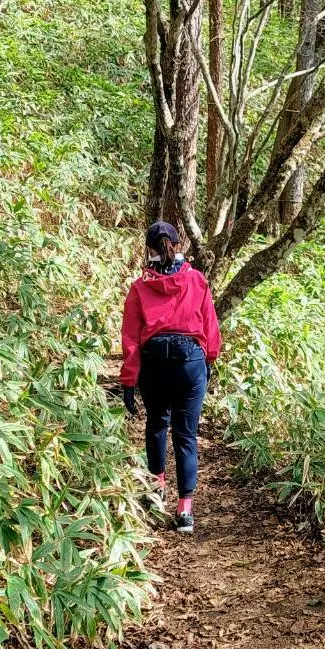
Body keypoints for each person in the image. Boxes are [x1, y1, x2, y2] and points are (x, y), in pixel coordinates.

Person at [119, 220, 222, 534]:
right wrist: (207, 362)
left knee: (156, 425)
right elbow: (211, 331)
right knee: (186, 436)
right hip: (190, 364)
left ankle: (155, 491)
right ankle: (185, 513)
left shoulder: (139, 288)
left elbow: (131, 340)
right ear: (178, 245)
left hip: (154, 367)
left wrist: (128, 381)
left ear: (149, 249)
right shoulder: (197, 281)